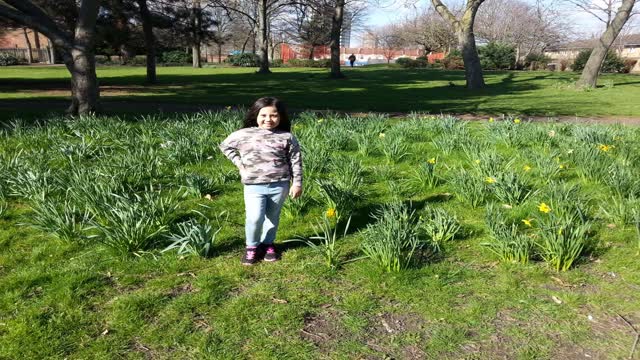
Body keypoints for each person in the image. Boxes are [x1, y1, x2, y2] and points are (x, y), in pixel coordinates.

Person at [219, 97, 303, 265]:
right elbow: (224, 146)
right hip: (253, 185)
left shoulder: (287, 137)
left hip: (280, 184)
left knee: (273, 216)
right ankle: (251, 247)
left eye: (274, 115)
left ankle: (268, 244)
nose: (268, 119)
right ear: (255, 115)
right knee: (255, 217)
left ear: (281, 117)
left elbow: (296, 160)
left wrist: (297, 183)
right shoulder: (244, 134)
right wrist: (239, 164)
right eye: (263, 115)